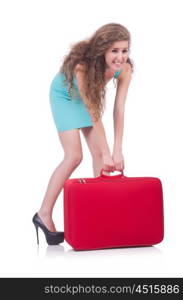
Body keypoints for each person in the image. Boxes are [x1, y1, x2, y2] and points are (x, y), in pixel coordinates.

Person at [33, 23, 133, 245]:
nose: (120, 57)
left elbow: (119, 109)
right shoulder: (83, 67)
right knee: (74, 155)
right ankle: (44, 214)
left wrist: (117, 151)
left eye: (124, 50)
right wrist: (107, 152)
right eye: (114, 51)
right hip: (66, 96)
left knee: (101, 156)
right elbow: (93, 112)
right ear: (102, 50)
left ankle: (102, 216)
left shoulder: (125, 69)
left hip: (88, 101)